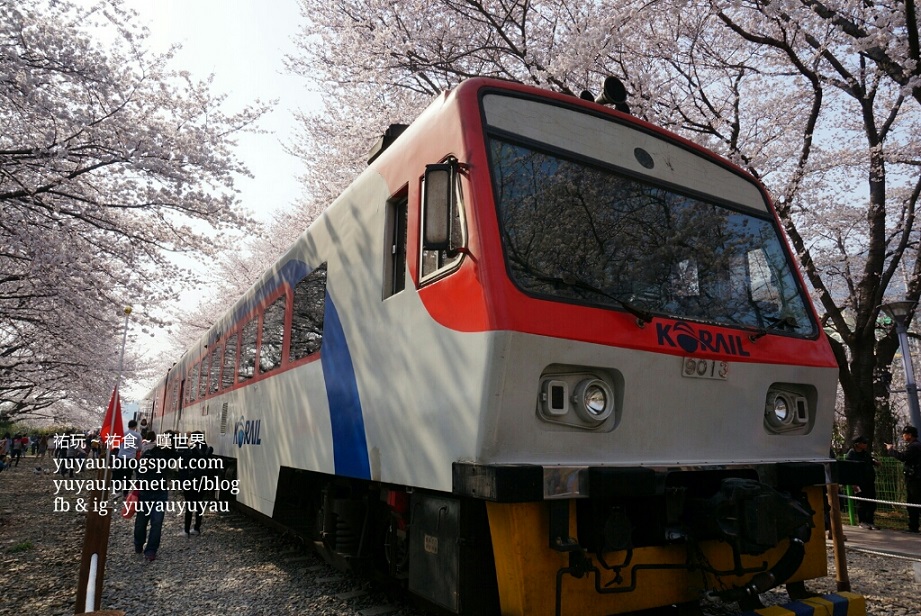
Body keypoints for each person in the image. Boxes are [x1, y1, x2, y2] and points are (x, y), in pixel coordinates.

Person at [133, 431, 172, 561]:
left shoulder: (167, 455)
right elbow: (138, 472)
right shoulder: (148, 454)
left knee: (157, 522)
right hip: (146, 492)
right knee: (141, 523)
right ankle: (139, 543)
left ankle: (151, 550)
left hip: (160, 493)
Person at [886, 425, 921, 533]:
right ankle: (913, 526)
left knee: (914, 503)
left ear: (910, 435)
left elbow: (903, 457)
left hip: (915, 479)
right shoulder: (916, 445)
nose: (903, 436)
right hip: (914, 478)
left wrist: (891, 450)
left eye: (904, 434)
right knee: (913, 503)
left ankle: (913, 527)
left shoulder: (914, 446)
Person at [179, 431, 213, 536]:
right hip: (203, 480)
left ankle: (186, 530)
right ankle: (197, 528)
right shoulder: (208, 450)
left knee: (189, 505)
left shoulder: (191, 450)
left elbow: (183, 465)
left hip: (191, 480)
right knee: (199, 503)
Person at [845, 436, 880, 529]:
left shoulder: (865, 454)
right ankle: (862, 521)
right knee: (861, 502)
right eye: (863, 442)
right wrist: (853, 483)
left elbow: (870, 460)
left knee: (871, 502)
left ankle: (870, 521)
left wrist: (875, 462)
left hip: (869, 481)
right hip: (859, 482)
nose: (865, 444)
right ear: (857, 444)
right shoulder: (851, 455)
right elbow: (849, 470)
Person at [113, 420, 143, 498]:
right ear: (135, 426)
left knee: (118, 474)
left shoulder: (123, 434)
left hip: (120, 456)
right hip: (131, 458)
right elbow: (140, 448)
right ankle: (125, 494)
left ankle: (117, 491)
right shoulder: (138, 435)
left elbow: (117, 444)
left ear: (128, 426)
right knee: (128, 476)